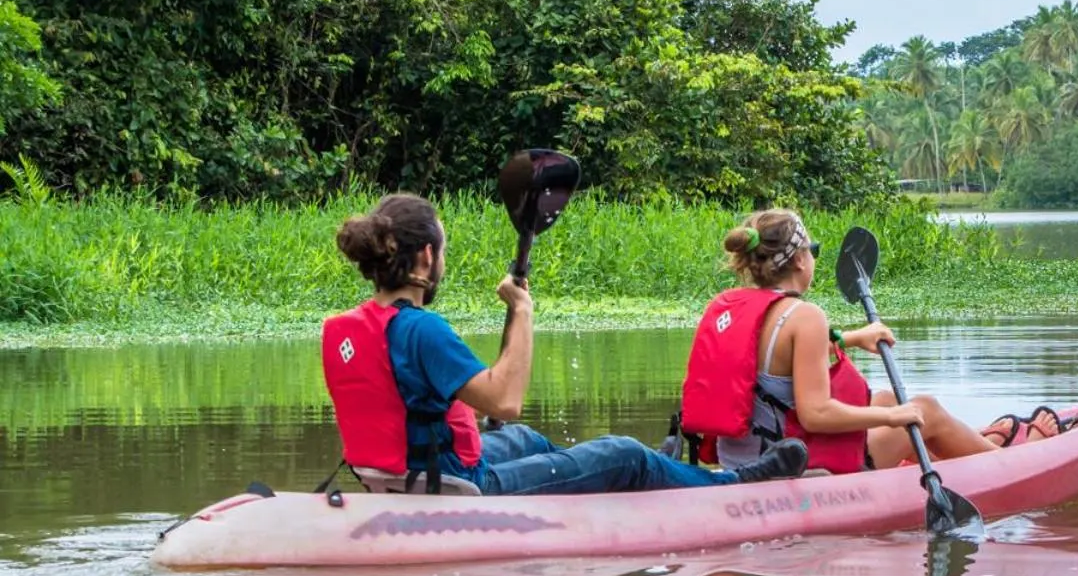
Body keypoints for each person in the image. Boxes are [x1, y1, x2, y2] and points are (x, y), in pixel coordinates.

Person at [323, 193, 807, 495]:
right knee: (622, 453)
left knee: (529, 441)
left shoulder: (351, 325)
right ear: (427, 257)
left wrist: (514, 313)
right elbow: (506, 400)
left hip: (397, 473)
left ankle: (645, 475)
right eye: (444, 250)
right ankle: (726, 481)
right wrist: (525, 313)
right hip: (456, 485)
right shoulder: (421, 329)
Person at [678, 209, 1061, 476]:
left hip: (740, 457)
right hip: (794, 465)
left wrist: (852, 338)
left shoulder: (737, 307)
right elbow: (816, 415)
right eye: (813, 251)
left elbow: (773, 367)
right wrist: (895, 419)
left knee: (882, 398)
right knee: (922, 408)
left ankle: (974, 444)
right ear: (798, 261)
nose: (814, 259)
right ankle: (1013, 463)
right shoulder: (805, 316)